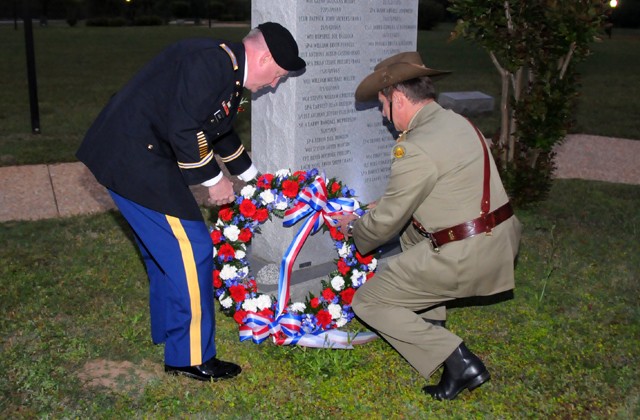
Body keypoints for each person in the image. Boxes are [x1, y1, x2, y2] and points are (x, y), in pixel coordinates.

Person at [76, 22, 305, 381]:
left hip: (136, 155)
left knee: (164, 250)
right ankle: (190, 356)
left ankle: (171, 331)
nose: (273, 84)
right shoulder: (211, 64)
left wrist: (252, 180)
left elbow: (218, 130)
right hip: (134, 158)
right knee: (192, 249)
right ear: (263, 57)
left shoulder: (225, 69)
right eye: (277, 75)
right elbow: (184, 128)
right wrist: (214, 183)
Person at [335, 52, 521, 400]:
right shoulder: (455, 122)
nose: (382, 114)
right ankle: (430, 323)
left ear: (399, 99)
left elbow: (385, 224)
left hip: (468, 254)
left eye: (382, 104)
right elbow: (444, 189)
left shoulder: (414, 146)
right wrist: (385, 206)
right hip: (499, 240)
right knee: (411, 233)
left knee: (367, 303)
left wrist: (353, 229)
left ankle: (459, 361)